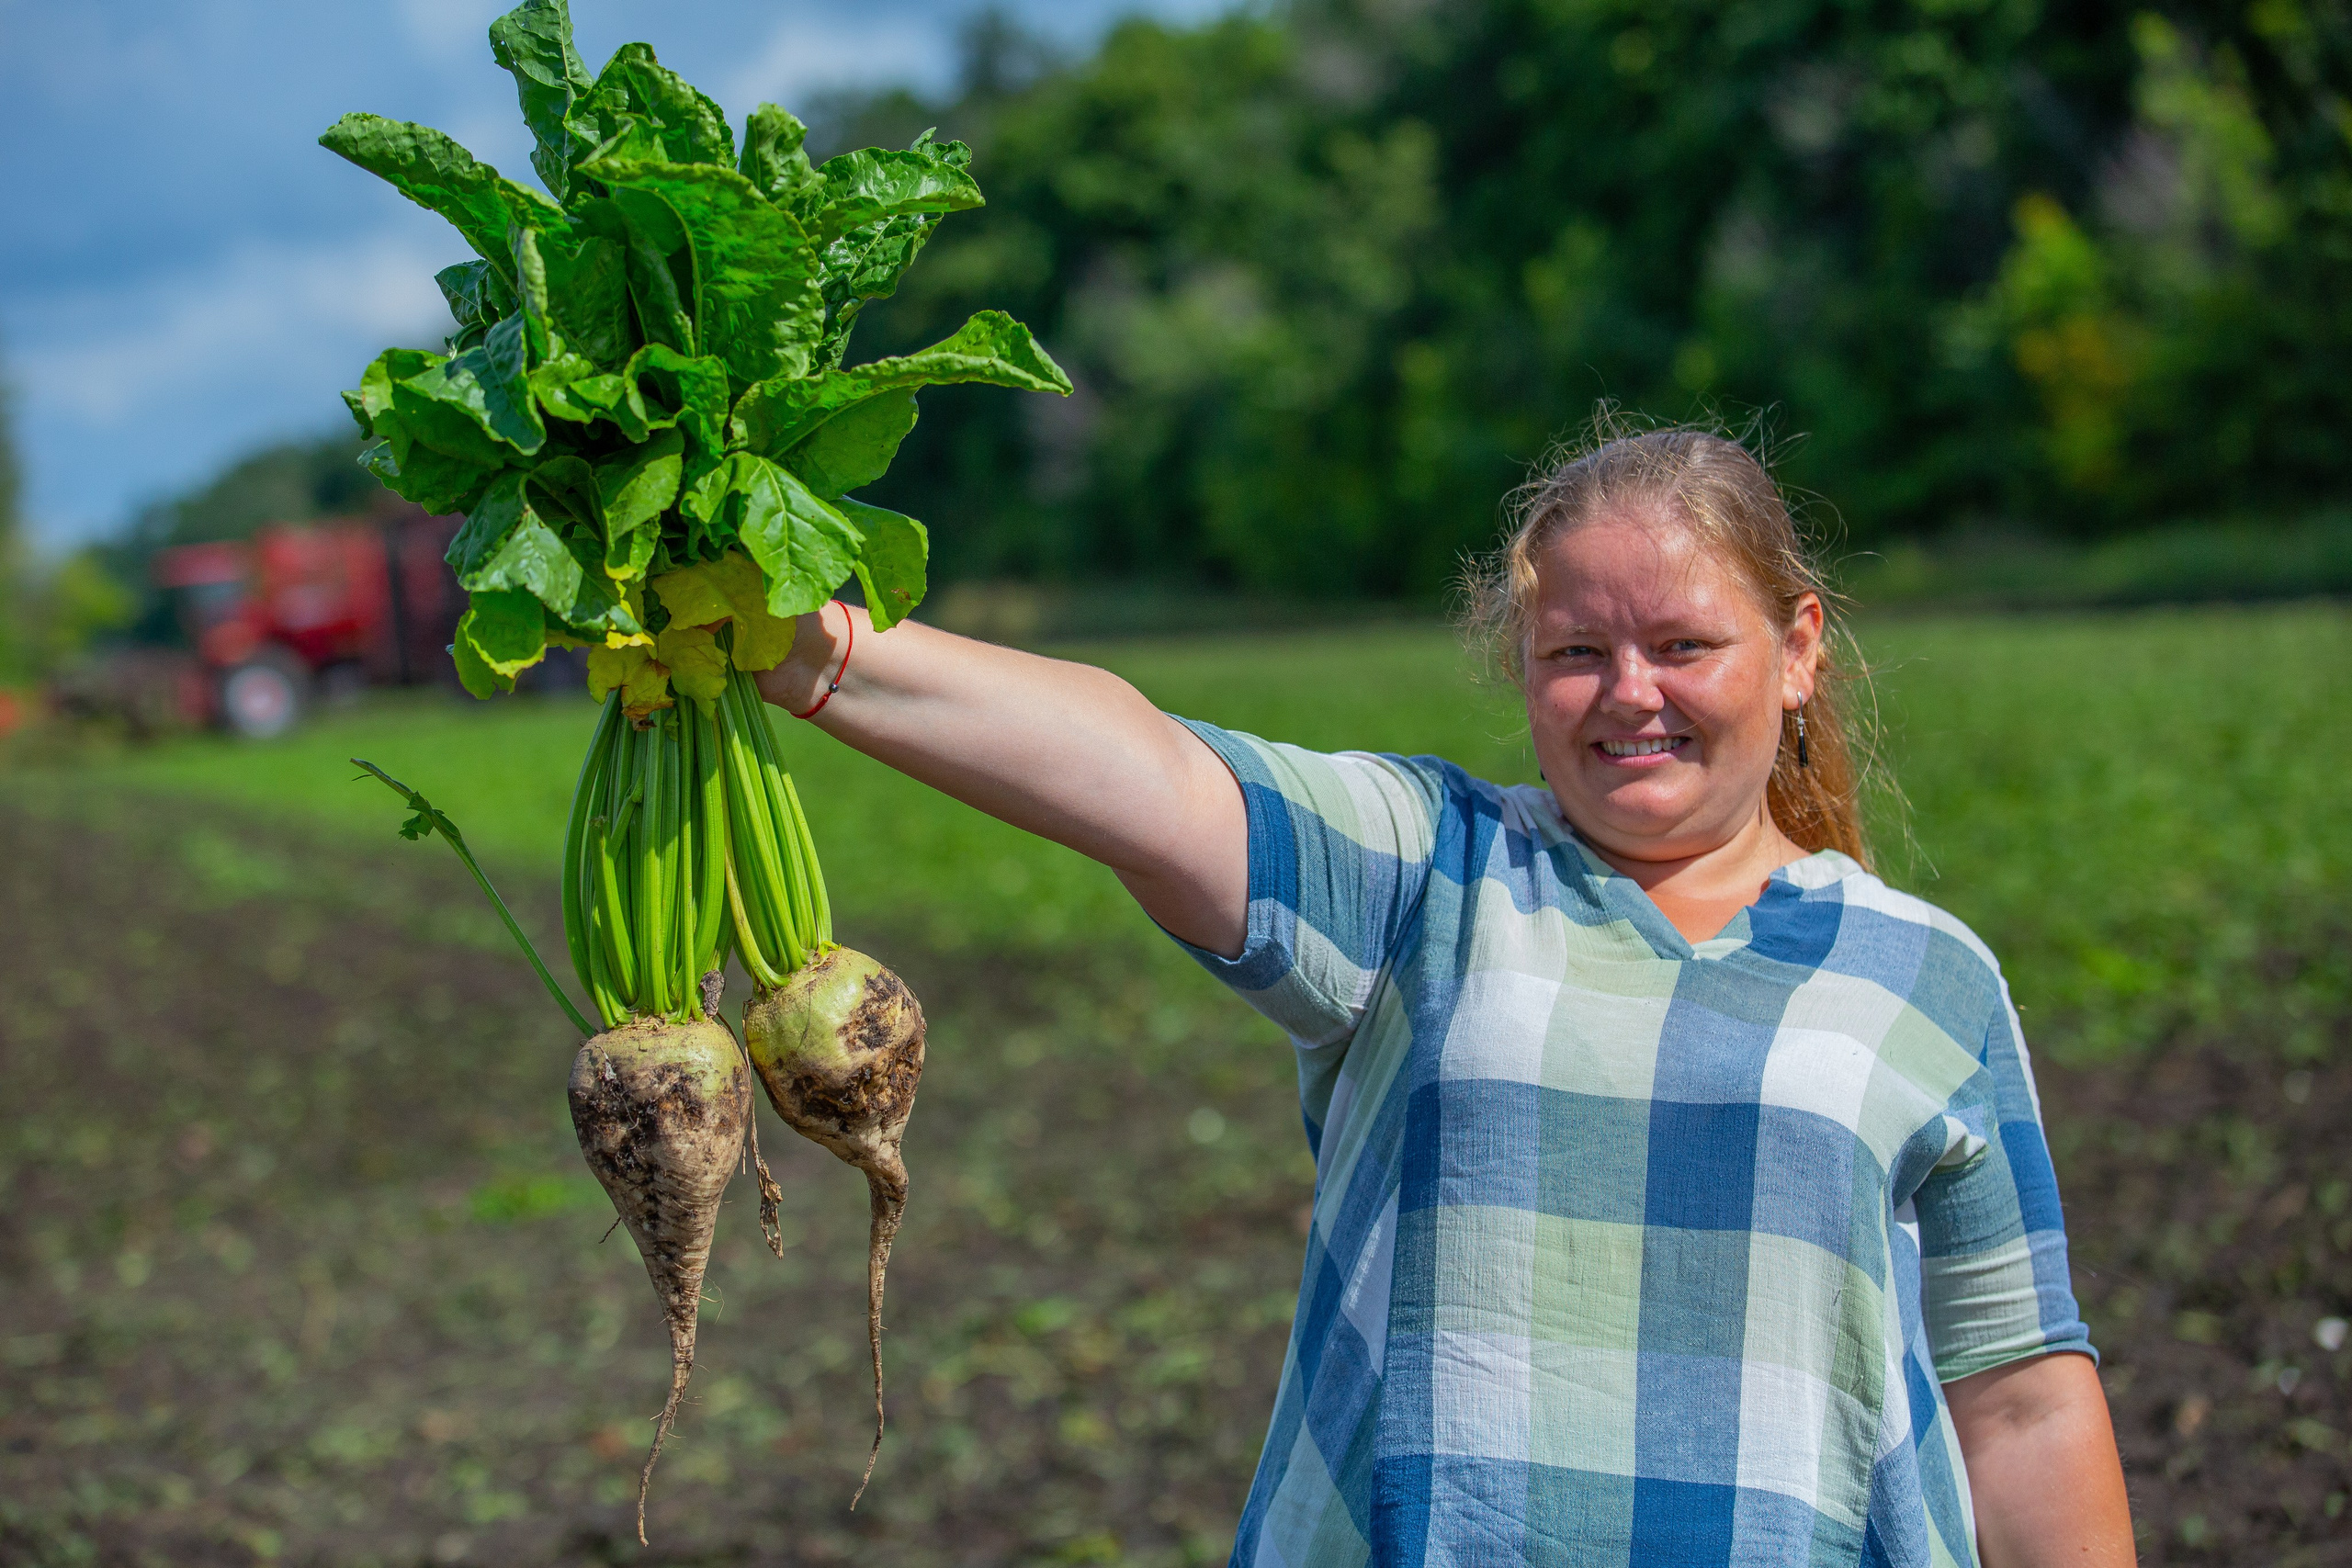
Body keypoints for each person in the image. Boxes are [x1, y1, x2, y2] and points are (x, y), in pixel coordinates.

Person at [754, 428, 2133, 1567]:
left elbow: (2018, 1402)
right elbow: (1152, 775)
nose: (1629, 694)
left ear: (1801, 648)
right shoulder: (1434, 873)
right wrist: (810, 649)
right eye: (1578, 651)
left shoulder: (1925, 975)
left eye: (1683, 646)